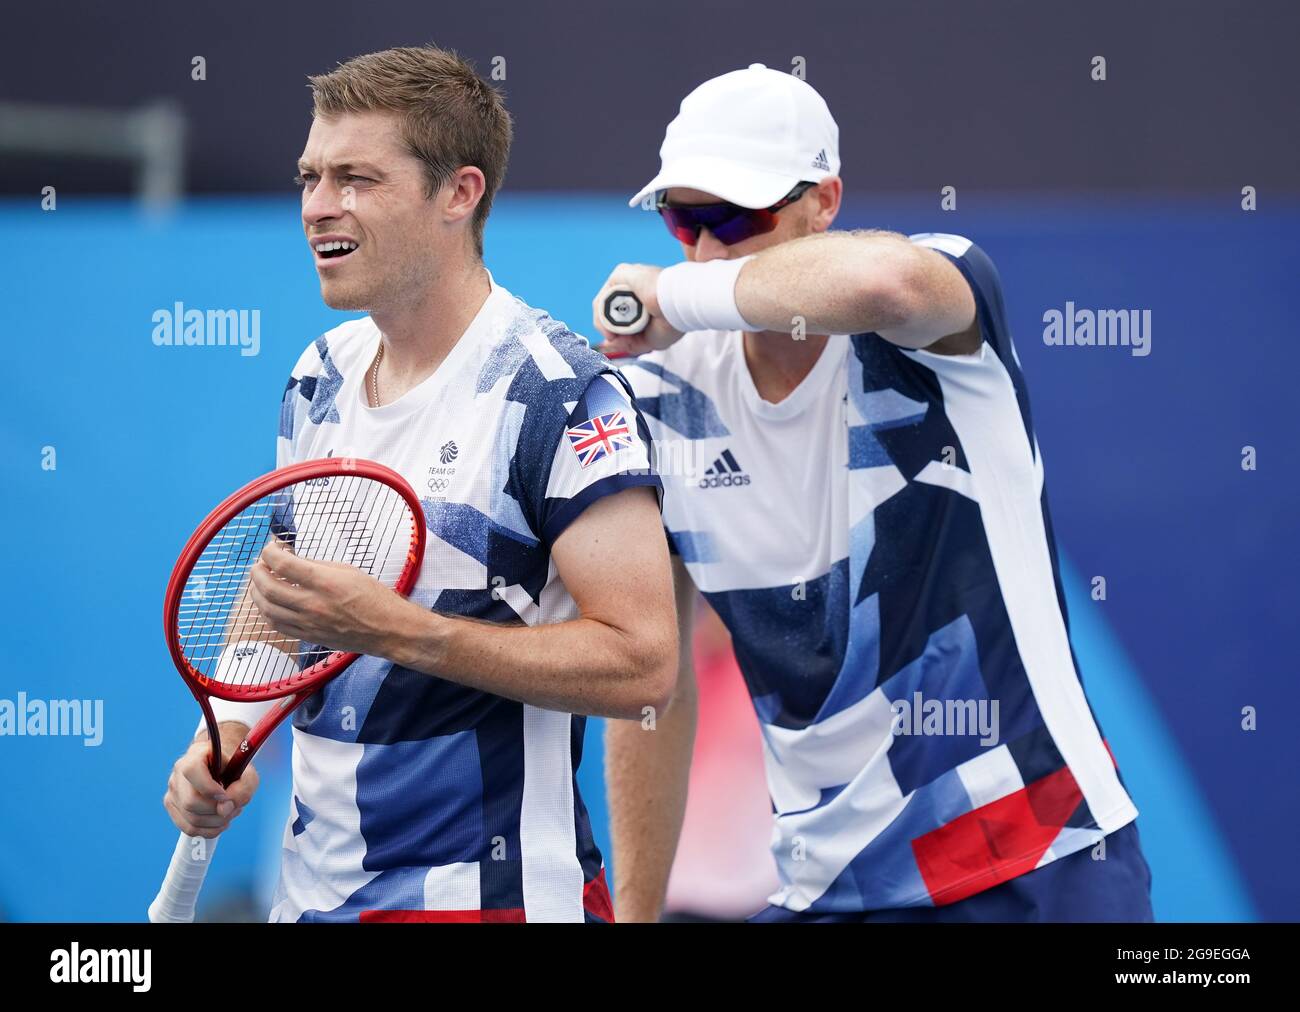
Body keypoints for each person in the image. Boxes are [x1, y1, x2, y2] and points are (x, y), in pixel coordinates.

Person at [598, 63, 1152, 923]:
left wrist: (672, 293)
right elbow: (654, 685)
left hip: (1038, 860)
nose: (707, 247)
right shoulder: (661, 398)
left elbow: (881, 283)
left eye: (736, 216)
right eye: (682, 219)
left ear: (825, 202)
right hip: (829, 891)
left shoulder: (932, 316)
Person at [162, 45, 675, 923]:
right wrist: (233, 732)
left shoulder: (559, 391)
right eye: (309, 178)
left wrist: (398, 631)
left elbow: (645, 663)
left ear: (459, 193)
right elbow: (284, 588)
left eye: (356, 178)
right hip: (312, 899)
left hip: (493, 901)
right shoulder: (317, 374)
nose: (319, 206)